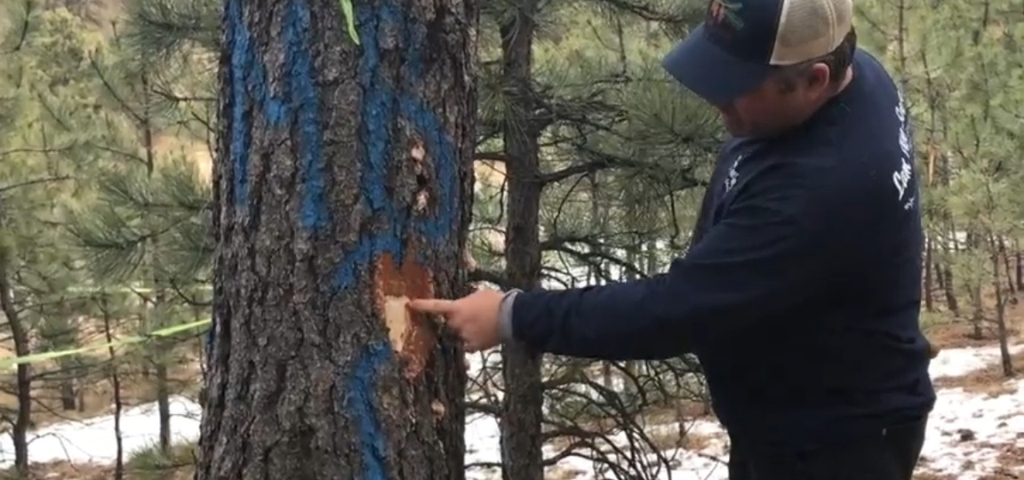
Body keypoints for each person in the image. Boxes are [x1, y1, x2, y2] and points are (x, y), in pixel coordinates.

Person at [409, 0, 936, 477]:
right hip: (800, 413)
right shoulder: (850, 77)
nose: (717, 99)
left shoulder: (821, 193)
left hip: (835, 444)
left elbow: (676, 311)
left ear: (815, 80)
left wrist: (512, 316)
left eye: (737, 85)